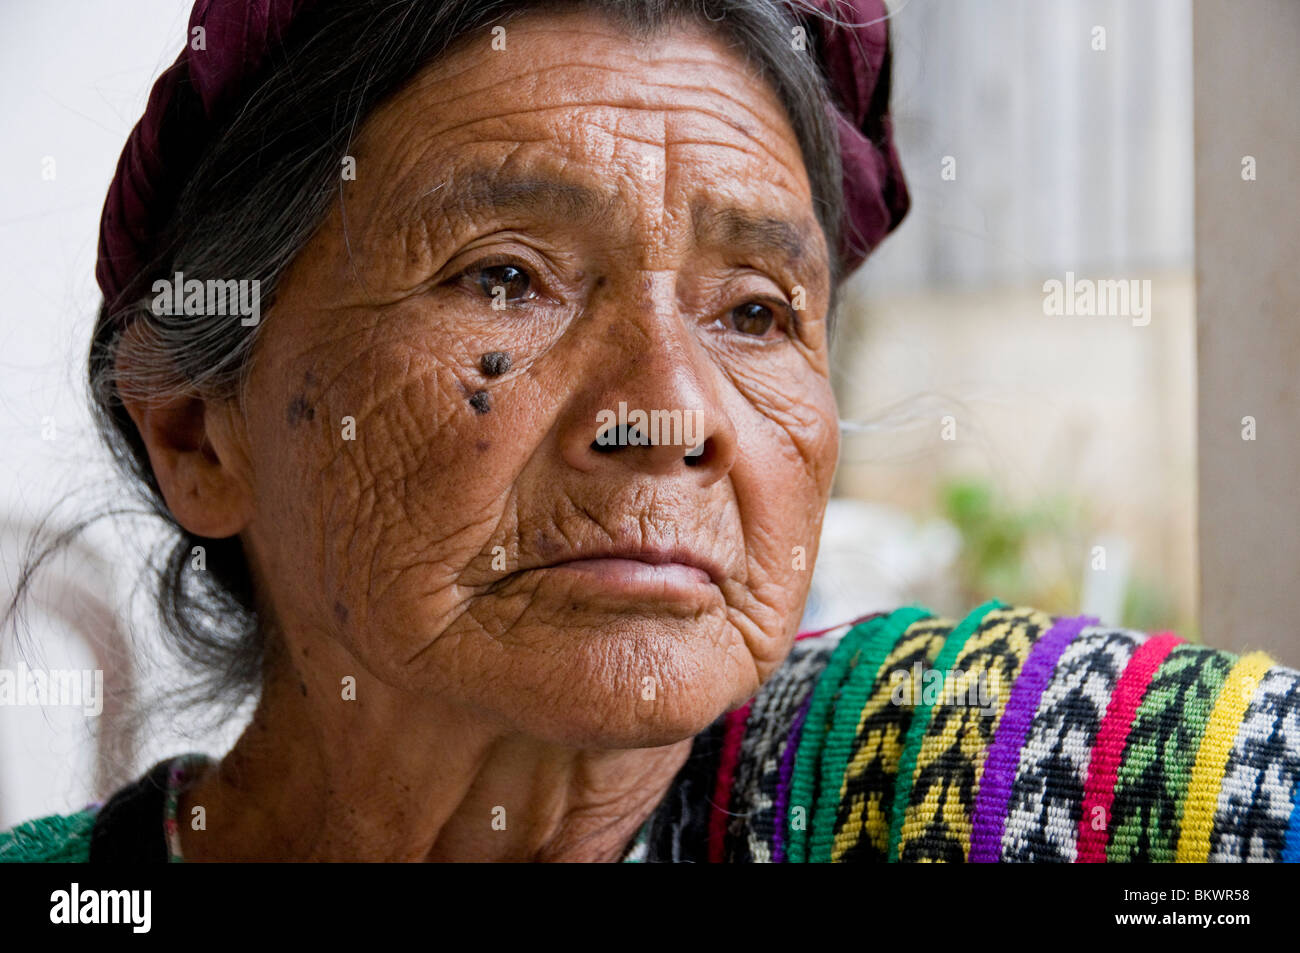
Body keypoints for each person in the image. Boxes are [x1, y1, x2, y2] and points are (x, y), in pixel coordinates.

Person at [2, 0, 1297, 863]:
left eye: (753, 309)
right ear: (197, 433)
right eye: (504, 275)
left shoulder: (943, 772)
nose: (670, 412)